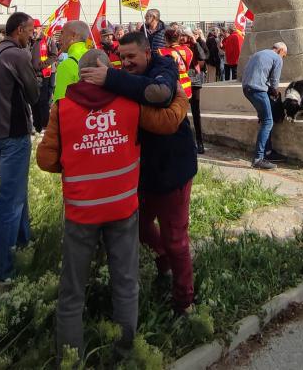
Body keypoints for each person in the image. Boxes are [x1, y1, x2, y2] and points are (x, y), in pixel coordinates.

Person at [37, 48, 189, 358]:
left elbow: (46, 159)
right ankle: (124, 352)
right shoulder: (128, 105)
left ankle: (70, 358)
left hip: (82, 211)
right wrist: (181, 96)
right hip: (122, 207)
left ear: (80, 74)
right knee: (125, 282)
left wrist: (79, 162)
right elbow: (169, 122)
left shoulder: (62, 108)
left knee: (72, 291)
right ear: (106, 72)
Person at [0, 12, 41, 285]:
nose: (32, 36)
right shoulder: (17, 55)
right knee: (10, 201)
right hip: (11, 130)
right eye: (30, 31)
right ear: (18, 30)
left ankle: (23, 242)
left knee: (17, 192)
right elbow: (33, 94)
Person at [242, 43, 286, 169]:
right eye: (284, 55)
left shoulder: (259, 53)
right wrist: (276, 93)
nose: (283, 58)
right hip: (258, 89)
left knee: (264, 119)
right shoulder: (277, 58)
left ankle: (267, 151)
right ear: (280, 50)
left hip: (247, 88)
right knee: (268, 121)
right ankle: (258, 158)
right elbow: (274, 81)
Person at [51, 21, 92, 102]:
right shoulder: (98, 56)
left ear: (73, 35)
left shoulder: (67, 65)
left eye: (62, 33)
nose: (59, 39)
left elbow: (59, 105)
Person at [185, 29, 206, 154]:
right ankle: (188, 141)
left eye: (186, 36)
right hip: (182, 83)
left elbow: (203, 57)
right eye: (182, 36)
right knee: (182, 113)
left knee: (196, 112)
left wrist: (195, 42)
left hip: (194, 81)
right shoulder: (178, 47)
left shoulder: (195, 45)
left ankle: (200, 142)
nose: (184, 38)